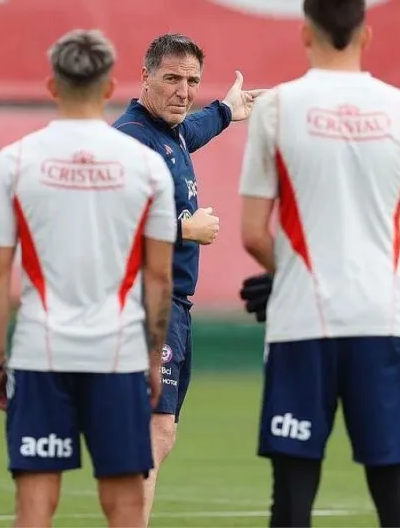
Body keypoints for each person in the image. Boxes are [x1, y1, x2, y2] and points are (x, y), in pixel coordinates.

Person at [237, 0, 400, 526]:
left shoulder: (278, 106)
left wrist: (292, 273)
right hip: (382, 320)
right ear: (365, 33)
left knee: (293, 495)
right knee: (396, 491)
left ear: (305, 32)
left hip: (303, 324)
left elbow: (253, 232)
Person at [0, 28, 177, 527]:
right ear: (111, 87)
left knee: (35, 505)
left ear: (52, 85)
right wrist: (154, 361)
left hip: (41, 352)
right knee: (125, 504)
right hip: (119, 355)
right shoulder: (147, 166)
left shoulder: (15, 159)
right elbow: (159, 277)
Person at [112, 32, 264, 523]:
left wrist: (225, 109)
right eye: (172, 78)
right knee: (154, 430)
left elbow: (191, 128)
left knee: (160, 432)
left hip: (172, 304)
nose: (183, 90)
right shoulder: (132, 139)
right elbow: (112, 221)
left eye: (192, 80)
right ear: (145, 77)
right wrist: (182, 227)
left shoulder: (169, 130)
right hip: (146, 300)